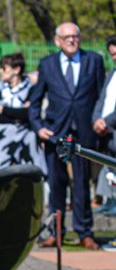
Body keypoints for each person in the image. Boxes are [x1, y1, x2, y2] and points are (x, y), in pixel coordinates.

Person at [29, 22, 106, 249]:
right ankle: (56, 231)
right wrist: (38, 127)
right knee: (57, 183)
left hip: (84, 133)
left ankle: (85, 232)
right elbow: (35, 102)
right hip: (56, 133)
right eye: (67, 37)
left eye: (75, 36)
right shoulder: (48, 64)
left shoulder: (93, 60)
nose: (72, 40)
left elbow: (101, 96)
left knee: (82, 184)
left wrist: (98, 122)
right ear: (57, 41)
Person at [0, 53, 44, 178]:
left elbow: (28, 114)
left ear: (16, 69)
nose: (1, 71)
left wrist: (4, 109)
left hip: (25, 136)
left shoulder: (31, 88)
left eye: (4, 68)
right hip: (1, 137)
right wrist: (16, 117)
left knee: (31, 170)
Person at [92, 36, 116, 225]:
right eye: (112, 55)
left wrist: (106, 122)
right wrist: (96, 120)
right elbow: (102, 101)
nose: (115, 57)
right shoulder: (111, 75)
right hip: (109, 138)